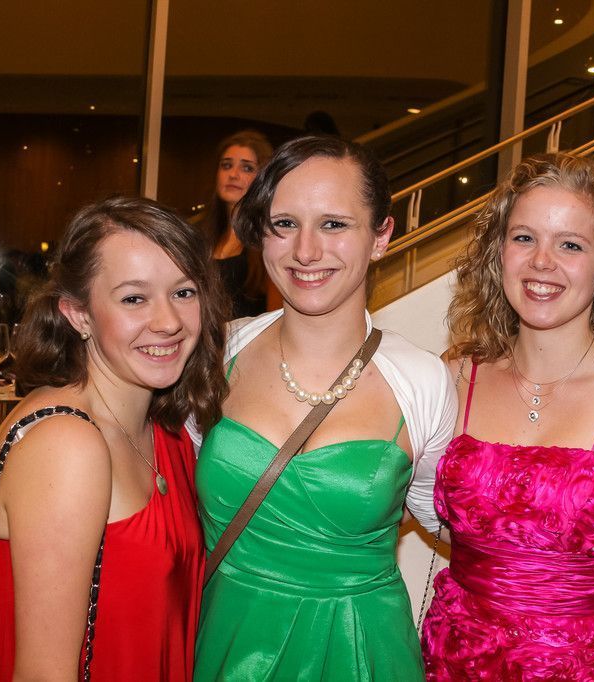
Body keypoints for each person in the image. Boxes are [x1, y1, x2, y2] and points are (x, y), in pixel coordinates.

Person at [193, 135, 456, 681]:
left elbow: (445, 517)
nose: (306, 251)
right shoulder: (217, 353)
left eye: (334, 224)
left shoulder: (422, 379)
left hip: (362, 652)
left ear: (381, 235)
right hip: (230, 641)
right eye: (284, 224)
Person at [421, 153, 594, 679]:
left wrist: (591, 563)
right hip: (450, 664)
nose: (541, 261)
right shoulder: (453, 377)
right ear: (498, 254)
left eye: (570, 245)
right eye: (524, 238)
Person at [0, 197, 229, 679]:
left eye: (183, 292)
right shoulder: (66, 445)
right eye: (134, 299)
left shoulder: (165, 427)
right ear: (78, 314)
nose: (168, 321)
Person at [193, 129, 280, 317]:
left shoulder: (272, 240)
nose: (233, 174)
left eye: (247, 168)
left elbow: (277, 318)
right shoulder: (198, 237)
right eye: (226, 165)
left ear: (262, 179)